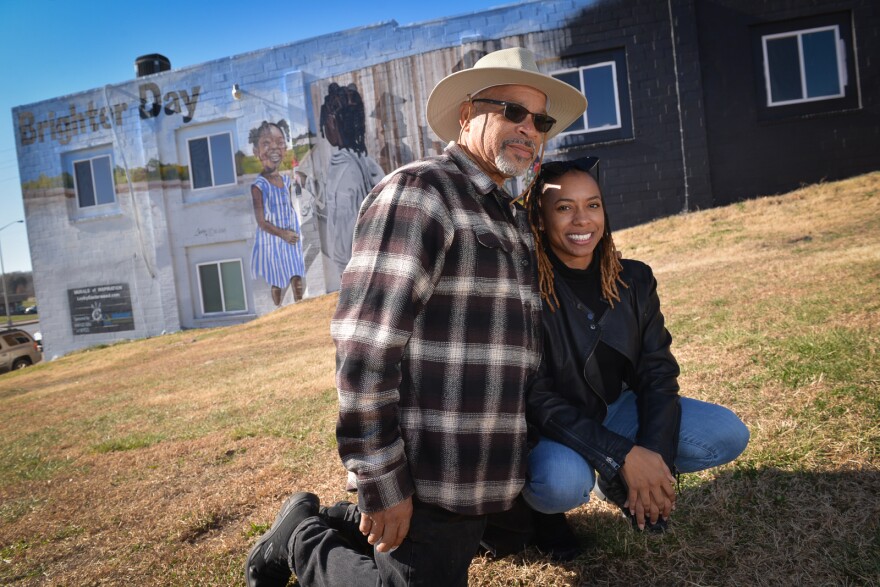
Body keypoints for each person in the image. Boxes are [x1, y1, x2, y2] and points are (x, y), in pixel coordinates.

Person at [244, 47, 587, 587]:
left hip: (491, 474)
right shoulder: (421, 193)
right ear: (467, 114)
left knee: (514, 540)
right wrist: (381, 481)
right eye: (513, 112)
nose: (530, 128)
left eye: (540, 120)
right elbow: (363, 351)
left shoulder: (508, 214)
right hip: (431, 476)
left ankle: (340, 519)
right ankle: (303, 540)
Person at [519, 157, 750, 552]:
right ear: (540, 220)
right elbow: (536, 397)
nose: (582, 220)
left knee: (727, 434)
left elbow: (657, 372)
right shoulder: (521, 289)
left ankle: (624, 482)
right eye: (563, 208)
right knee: (561, 484)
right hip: (554, 426)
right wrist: (620, 455)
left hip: (616, 406)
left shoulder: (634, 278)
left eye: (592, 205)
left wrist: (652, 458)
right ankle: (544, 518)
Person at [319, 82, 385, 277]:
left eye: (326, 121)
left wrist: (345, 269)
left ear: (335, 123)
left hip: (357, 270)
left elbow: (345, 232)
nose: (324, 128)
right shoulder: (367, 163)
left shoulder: (345, 171)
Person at [248, 120, 306, 305]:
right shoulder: (259, 186)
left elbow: (293, 201)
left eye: (279, 142)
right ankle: (278, 309)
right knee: (278, 278)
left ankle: (299, 306)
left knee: (296, 270)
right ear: (256, 152)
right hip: (273, 238)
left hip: (291, 234)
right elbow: (261, 221)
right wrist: (283, 234)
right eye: (266, 143)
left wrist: (300, 181)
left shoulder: (287, 181)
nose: (274, 148)